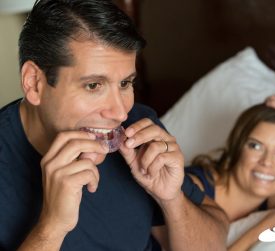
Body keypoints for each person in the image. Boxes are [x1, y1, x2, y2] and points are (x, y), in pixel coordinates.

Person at [0, 0, 228, 250]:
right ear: (34, 83)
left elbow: (213, 242)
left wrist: (171, 199)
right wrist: (52, 226)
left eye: (125, 84)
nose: (120, 112)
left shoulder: (139, 128)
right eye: (93, 85)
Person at [185, 101, 275, 251]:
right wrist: (261, 229)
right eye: (255, 146)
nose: (267, 162)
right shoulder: (193, 188)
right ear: (235, 150)